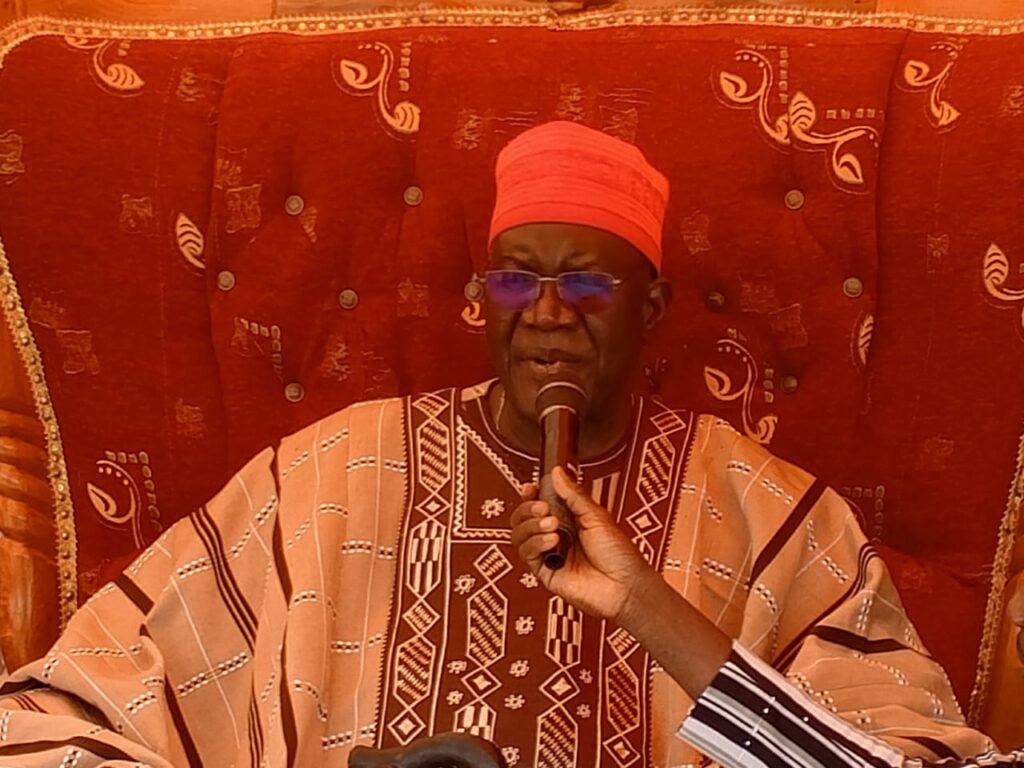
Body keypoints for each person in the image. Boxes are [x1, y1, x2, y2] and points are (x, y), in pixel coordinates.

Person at [0, 121, 1003, 767]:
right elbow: (56, 715)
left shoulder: (768, 511)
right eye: (518, 280)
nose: (548, 314)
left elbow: (895, 759)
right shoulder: (332, 470)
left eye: (589, 283)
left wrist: (648, 607)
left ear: (653, 307)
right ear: (484, 300)